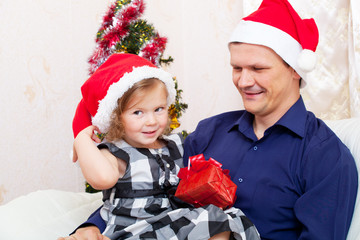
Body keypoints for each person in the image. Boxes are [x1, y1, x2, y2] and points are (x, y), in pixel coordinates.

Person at [61, 0, 358, 239]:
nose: (243, 81)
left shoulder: (326, 156)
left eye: (257, 68)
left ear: (295, 70)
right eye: (237, 68)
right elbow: (146, 189)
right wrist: (91, 229)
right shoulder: (210, 132)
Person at [58, 53, 260, 240]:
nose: (151, 121)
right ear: (116, 118)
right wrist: (82, 139)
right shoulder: (117, 152)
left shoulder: (175, 144)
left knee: (224, 218)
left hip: (169, 223)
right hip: (134, 229)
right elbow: (101, 179)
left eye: (158, 109)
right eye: (138, 112)